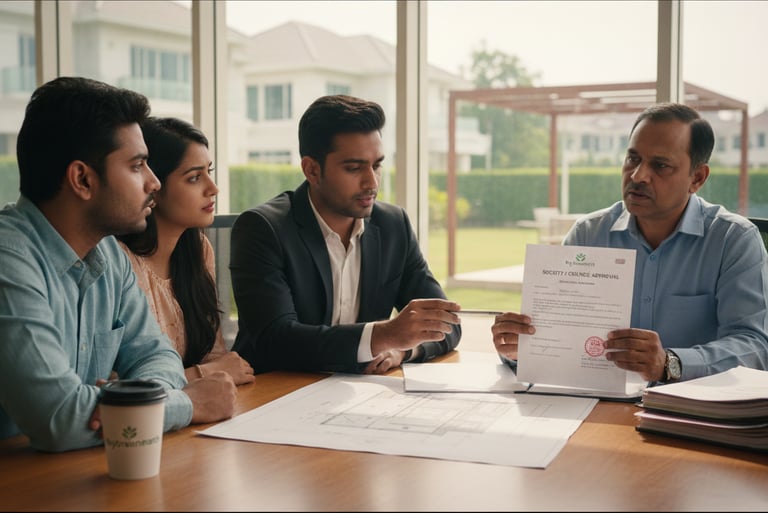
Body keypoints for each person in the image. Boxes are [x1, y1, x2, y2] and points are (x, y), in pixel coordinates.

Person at [0, 76, 237, 452]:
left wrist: (123, 401)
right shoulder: (8, 261)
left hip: (74, 475)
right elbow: (60, 418)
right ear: (82, 179)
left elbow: (159, 357)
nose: (154, 183)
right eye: (138, 166)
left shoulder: (108, 255)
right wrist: (189, 403)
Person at [492, 102, 768, 384]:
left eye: (660, 165)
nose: (638, 176)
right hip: (598, 406)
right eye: (633, 159)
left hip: (693, 412)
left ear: (696, 178)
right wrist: (519, 347)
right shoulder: (588, 235)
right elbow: (558, 340)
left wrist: (671, 363)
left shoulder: (733, 241)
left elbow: (755, 346)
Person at [230, 94, 462, 375]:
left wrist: (404, 349)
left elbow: (447, 324)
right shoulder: (263, 228)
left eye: (376, 165)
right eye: (354, 168)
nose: (372, 182)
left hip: (360, 395)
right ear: (312, 170)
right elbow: (275, 340)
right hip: (275, 392)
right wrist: (381, 336)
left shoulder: (393, 225)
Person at [116, 117, 255, 385]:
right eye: (194, 178)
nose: (212, 189)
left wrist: (213, 372)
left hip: (195, 408)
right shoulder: (121, 261)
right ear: (153, 185)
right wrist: (205, 375)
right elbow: (122, 385)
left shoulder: (199, 249)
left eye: (209, 173)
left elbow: (215, 357)